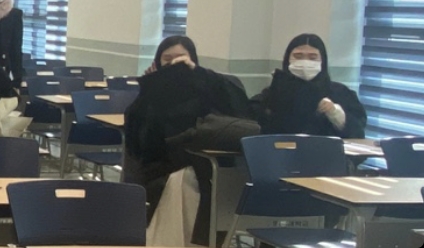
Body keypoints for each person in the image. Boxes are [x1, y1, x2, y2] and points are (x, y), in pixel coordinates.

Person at [124, 36, 252, 242]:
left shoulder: (207, 89)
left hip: (206, 167)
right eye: (167, 59)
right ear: (157, 62)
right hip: (163, 168)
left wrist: (199, 73)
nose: (174, 64)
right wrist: (150, 87)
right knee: (184, 180)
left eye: (181, 58)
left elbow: (238, 108)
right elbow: (140, 139)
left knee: (196, 180)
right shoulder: (150, 95)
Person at [251, 34, 366, 138]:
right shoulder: (272, 93)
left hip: (324, 152)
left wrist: (335, 113)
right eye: (298, 56)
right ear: (287, 59)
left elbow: (358, 132)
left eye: (313, 57)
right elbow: (254, 125)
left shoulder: (340, 93)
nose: (305, 62)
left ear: (322, 61)